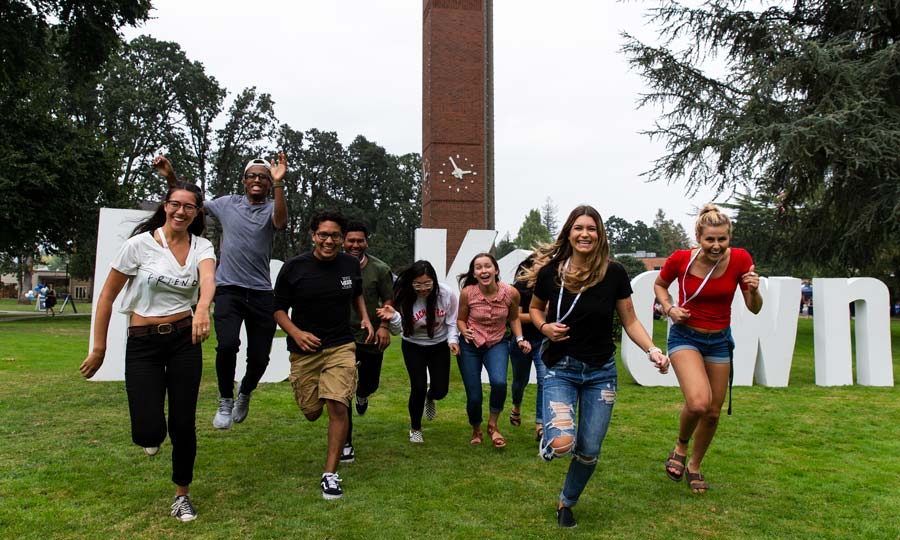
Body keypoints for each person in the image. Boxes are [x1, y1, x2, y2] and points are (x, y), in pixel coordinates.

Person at [79, 182, 215, 522]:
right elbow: (107, 296)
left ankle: (182, 495)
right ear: (165, 206)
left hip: (185, 341)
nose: (181, 211)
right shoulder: (139, 245)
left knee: (183, 424)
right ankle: (150, 436)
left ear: (198, 212)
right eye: (175, 204)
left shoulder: (202, 246)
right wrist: (98, 347)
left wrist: (202, 308)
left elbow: (208, 280)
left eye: (189, 207)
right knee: (148, 431)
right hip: (143, 342)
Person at [527, 205, 669, 528]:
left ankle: (567, 501)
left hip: (600, 373)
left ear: (600, 234)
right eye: (579, 228)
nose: (585, 234)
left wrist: (652, 351)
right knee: (564, 444)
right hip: (559, 367)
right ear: (569, 233)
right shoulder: (552, 272)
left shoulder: (614, 273)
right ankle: (553, 436)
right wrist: (544, 328)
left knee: (589, 449)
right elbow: (535, 309)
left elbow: (630, 320)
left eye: (591, 228)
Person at [154, 153, 287, 430]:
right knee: (227, 345)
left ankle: (245, 391)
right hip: (229, 289)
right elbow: (189, 203)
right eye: (253, 176)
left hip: (261, 291)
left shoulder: (273, 206)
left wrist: (279, 183)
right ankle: (225, 399)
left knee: (260, 357)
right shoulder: (227, 204)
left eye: (263, 176)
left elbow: (281, 222)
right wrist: (170, 177)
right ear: (244, 180)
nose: (258, 180)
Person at [655, 203, 761, 494]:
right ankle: (680, 445)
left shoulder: (740, 259)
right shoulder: (680, 260)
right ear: (698, 237)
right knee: (699, 402)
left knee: (713, 412)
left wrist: (754, 289)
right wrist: (669, 308)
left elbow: (754, 309)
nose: (716, 246)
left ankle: (694, 465)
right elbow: (660, 285)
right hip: (685, 337)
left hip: (719, 340)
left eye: (722, 239)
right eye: (710, 239)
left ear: (729, 237)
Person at [273, 210, 374, 500]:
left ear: (343, 239)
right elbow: (277, 308)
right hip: (305, 351)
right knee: (311, 411)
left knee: (338, 407)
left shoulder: (349, 264)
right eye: (324, 235)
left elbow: (356, 294)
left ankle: (330, 474)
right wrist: (296, 333)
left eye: (335, 236)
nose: (329, 241)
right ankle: (311, 399)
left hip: (340, 345)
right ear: (313, 235)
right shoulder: (294, 268)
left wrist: (365, 318)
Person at [375, 260, 459, 443]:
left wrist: (453, 341)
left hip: (438, 344)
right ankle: (415, 428)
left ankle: (432, 397)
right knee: (418, 386)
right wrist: (395, 316)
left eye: (427, 284)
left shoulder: (446, 294)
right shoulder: (404, 296)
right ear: (411, 283)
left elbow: (452, 321)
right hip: (413, 345)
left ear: (434, 282)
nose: (423, 289)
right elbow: (398, 331)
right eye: (418, 284)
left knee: (441, 390)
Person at [457, 253, 531, 449]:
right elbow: (461, 320)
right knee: (474, 395)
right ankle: (476, 429)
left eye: (487, 266)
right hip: (470, 346)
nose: (484, 271)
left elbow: (514, 318)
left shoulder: (511, 293)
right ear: (474, 273)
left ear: (495, 269)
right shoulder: (468, 293)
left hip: (496, 343)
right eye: (479, 267)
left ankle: (493, 425)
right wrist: (464, 331)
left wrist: (520, 339)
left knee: (499, 382)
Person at [340, 220, 394, 463]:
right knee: (342, 392)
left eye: (359, 240)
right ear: (343, 241)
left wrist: (384, 326)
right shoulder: (333, 267)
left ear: (366, 242)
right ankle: (345, 442)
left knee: (369, 384)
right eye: (350, 240)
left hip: (370, 338)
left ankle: (364, 394)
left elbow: (389, 302)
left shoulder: (380, 269)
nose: (355, 245)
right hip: (339, 339)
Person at [508, 255, 548, 441]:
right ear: (531, 265)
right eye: (542, 260)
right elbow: (515, 317)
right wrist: (540, 314)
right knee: (519, 382)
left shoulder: (553, 286)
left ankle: (540, 424)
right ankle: (516, 406)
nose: (547, 263)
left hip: (543, 340)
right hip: (521, 340)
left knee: (544, 380)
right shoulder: (519, 288)